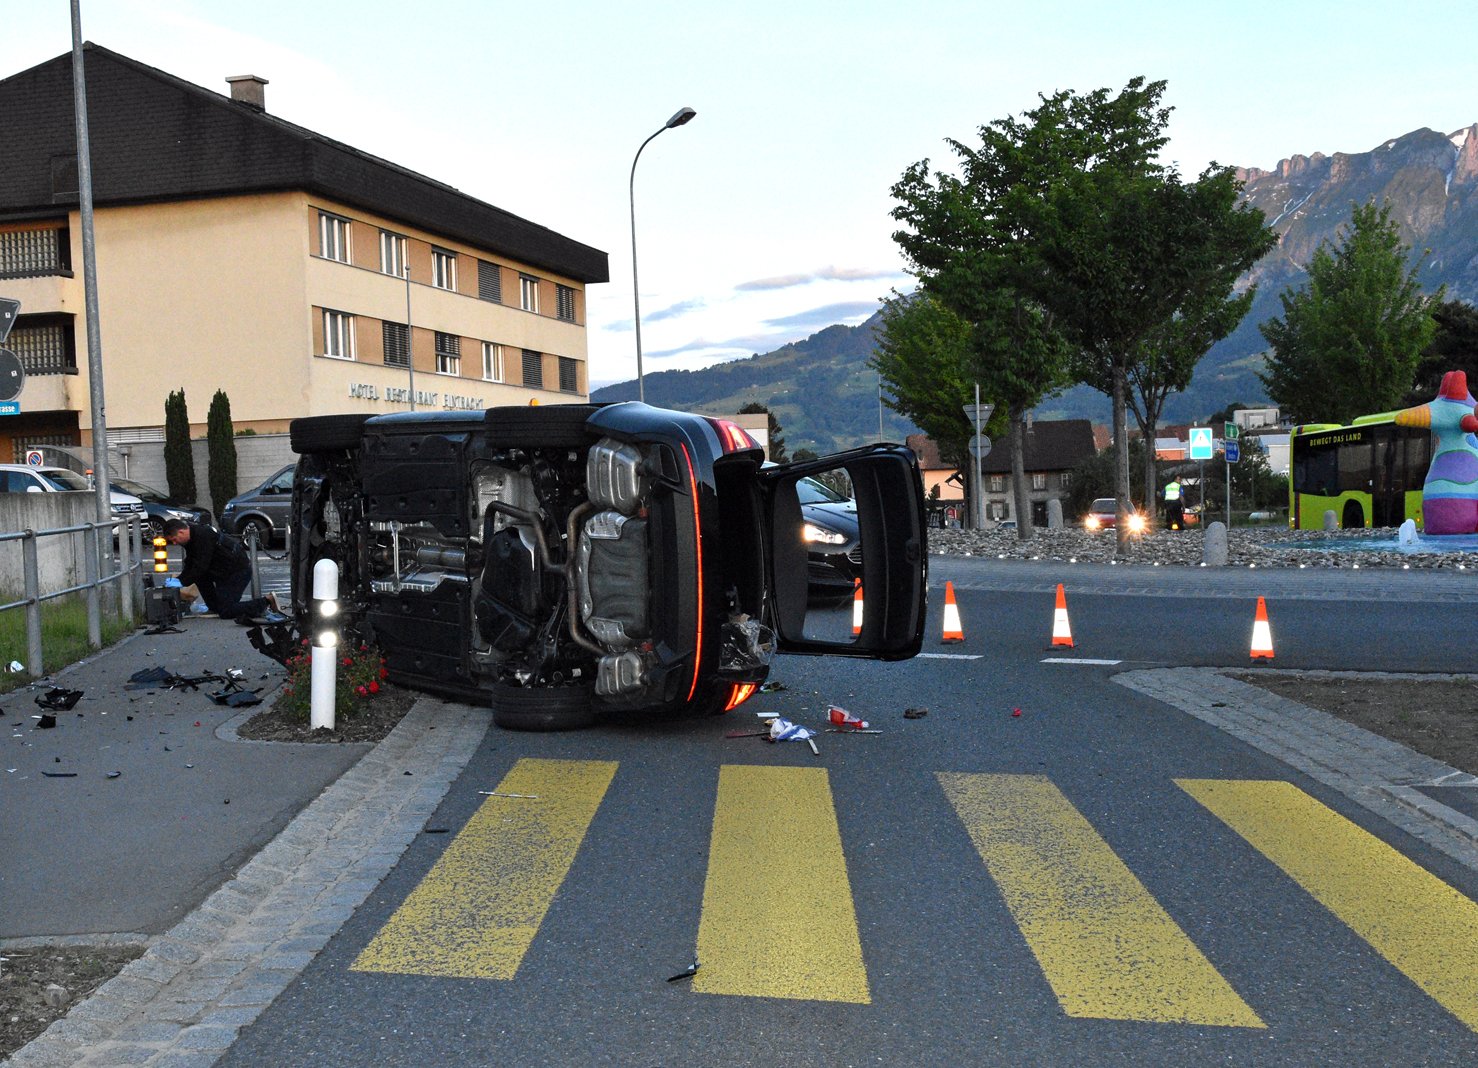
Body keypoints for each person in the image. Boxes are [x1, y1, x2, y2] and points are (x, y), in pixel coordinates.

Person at [163, 518, 277, 621]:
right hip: (222, 571)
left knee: (226, 611)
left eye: (174, 539)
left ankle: (267, 600)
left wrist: (182, 582)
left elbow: (200, 566)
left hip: (236, 571)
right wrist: (180, 579)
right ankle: (214, 607)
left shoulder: (202, 536)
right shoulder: (192, 536)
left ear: (181, 532)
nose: (174, 543)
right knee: (200, 578)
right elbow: (191, 562)